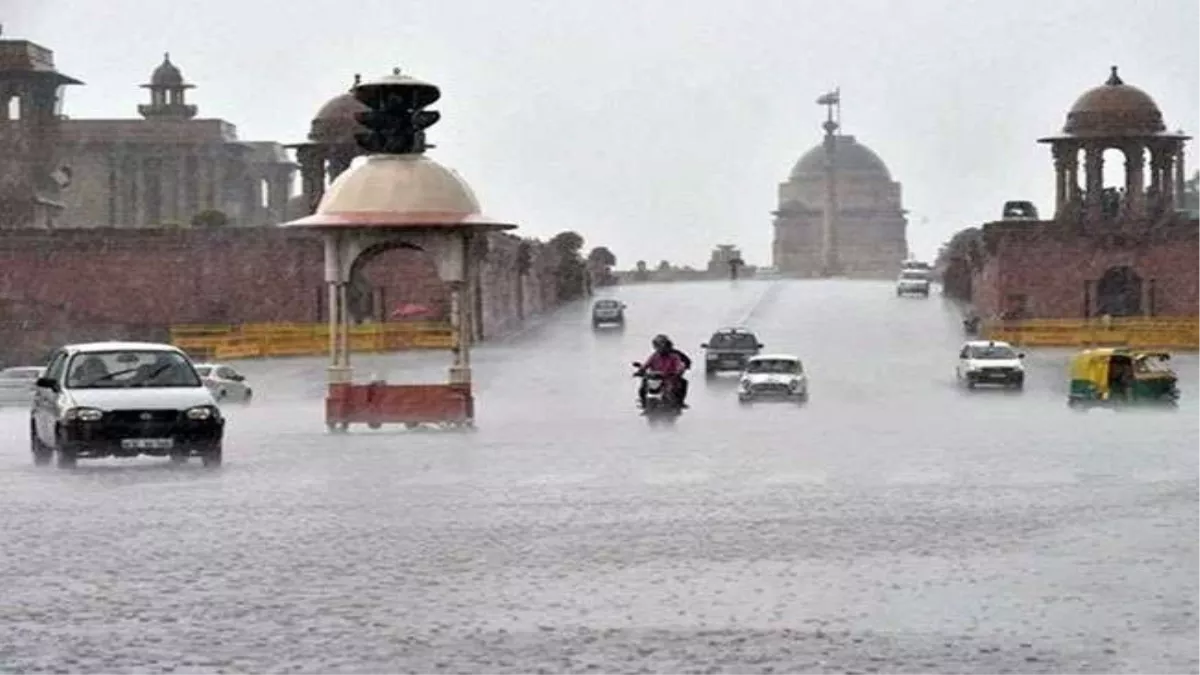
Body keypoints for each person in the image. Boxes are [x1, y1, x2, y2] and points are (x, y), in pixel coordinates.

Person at [637, 334, 688, 409]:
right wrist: (640, 370)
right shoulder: (654, 356)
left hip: (668, 378)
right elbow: (646, 364)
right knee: (643, 386)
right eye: (657, 346)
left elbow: (679, 366)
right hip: (654, 379)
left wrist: (678, 371)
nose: (660, 348)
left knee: (683, 383)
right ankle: (643, 401)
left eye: (662, 345)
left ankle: (680, 402)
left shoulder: (674, 357)